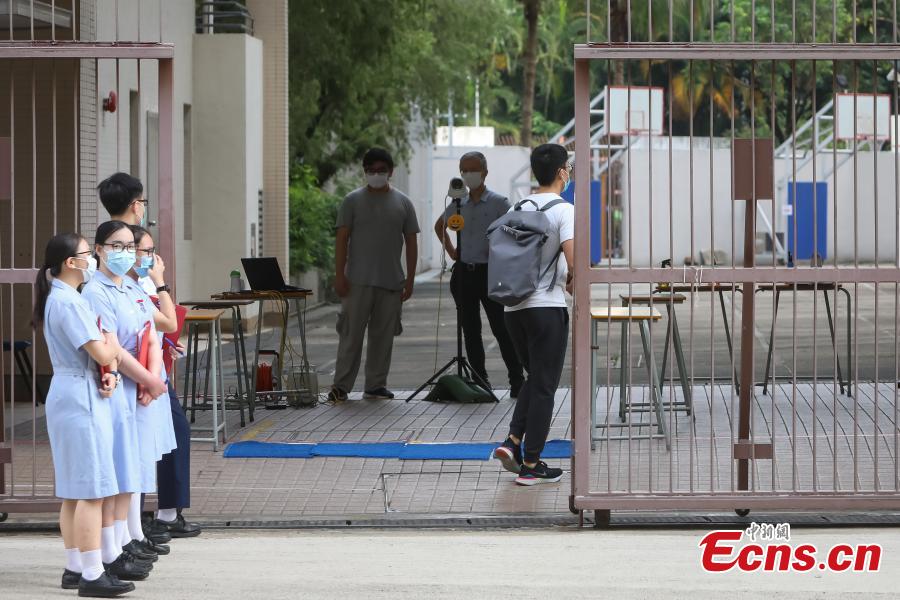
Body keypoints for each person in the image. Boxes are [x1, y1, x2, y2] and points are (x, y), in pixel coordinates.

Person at [97, 172, 201, 540]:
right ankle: (133, 531)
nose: (134, 255)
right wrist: (148, 374)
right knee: (135, 451)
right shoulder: (112, 274)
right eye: (123, 248)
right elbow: (118, 333)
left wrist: (158, 353)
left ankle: (140, 527)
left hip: (148, 367)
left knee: (155, 441)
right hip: (128, 370)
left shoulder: (126, 271)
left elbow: (155, 322)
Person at [34, 232, 136, 597]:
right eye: (86, 254)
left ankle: (75, 566)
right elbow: (104, 353)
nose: (92, 259)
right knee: (92, 490)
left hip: (72, 390)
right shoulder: (69, 302)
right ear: (70, 263)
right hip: (79, 397)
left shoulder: (62, 298)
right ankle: (93, 573)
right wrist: (112, 341)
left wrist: (109, 360)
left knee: (74, 491)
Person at [82, 221, 169, 581]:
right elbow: (113, 347)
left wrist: (152, 378)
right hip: (116, 385)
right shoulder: (95, 292)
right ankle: (110, 550)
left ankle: (122, 542)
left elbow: (151, 334)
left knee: (131, 468)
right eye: (116, 246)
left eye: (130, 247)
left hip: (140, 385)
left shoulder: (130, 286)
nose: (125, 253)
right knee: (116, 471)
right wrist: (149, 379)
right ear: (99, 250)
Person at [492, 143, 574, 486]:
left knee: (534, 377)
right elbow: (574, 259)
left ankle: (512, 442)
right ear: (562, 172)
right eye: (568, 168)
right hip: (546, 308)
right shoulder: (563, 210)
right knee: (544, 386)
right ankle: (531, 463)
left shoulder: (518, 206)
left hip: (513, 309)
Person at [328, 148, 420, 403]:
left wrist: (410, 279)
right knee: (350, 335)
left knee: (383, 337)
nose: (376, 175)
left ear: (391, 172)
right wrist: (339, 275)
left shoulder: (403, 203)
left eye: (381, 170)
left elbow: (411, 242)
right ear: (365, 172)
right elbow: (342, 239)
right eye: (371, 170)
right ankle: (341, 386)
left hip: (391, 281)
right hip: (356, 281)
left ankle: (376, 384)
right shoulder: (352, 201)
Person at [433, 151, 524, 396]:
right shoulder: (458, 203)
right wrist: (452, 251)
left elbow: (515, 233)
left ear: (485, 172)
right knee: (470, 331)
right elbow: (440, 226)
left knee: (501, 329)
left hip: (490, 273)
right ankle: (480, 380)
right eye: (464, 170)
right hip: (464, 273)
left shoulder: (498, 202)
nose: (468, 174)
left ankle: (517, 380)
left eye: (473, 170)